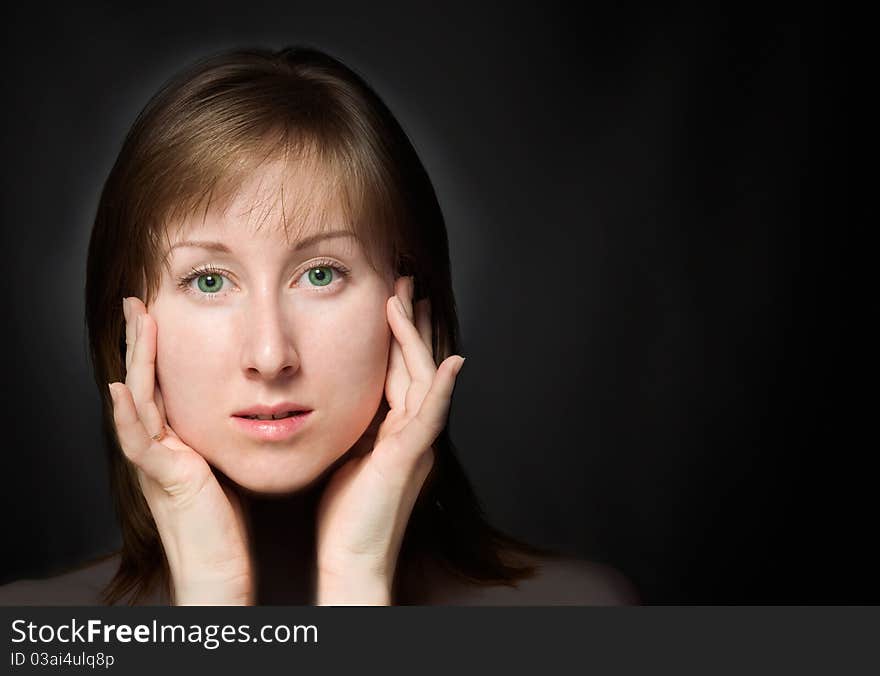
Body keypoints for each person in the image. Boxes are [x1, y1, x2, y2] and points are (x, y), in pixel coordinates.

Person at [0, 46, 637, 606]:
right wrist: (211, 598)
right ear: (129, 327)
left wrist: (355, 583)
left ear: (410, 307)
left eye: (321, 274)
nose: (270, 355)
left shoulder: (582, 615)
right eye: (210, 281)